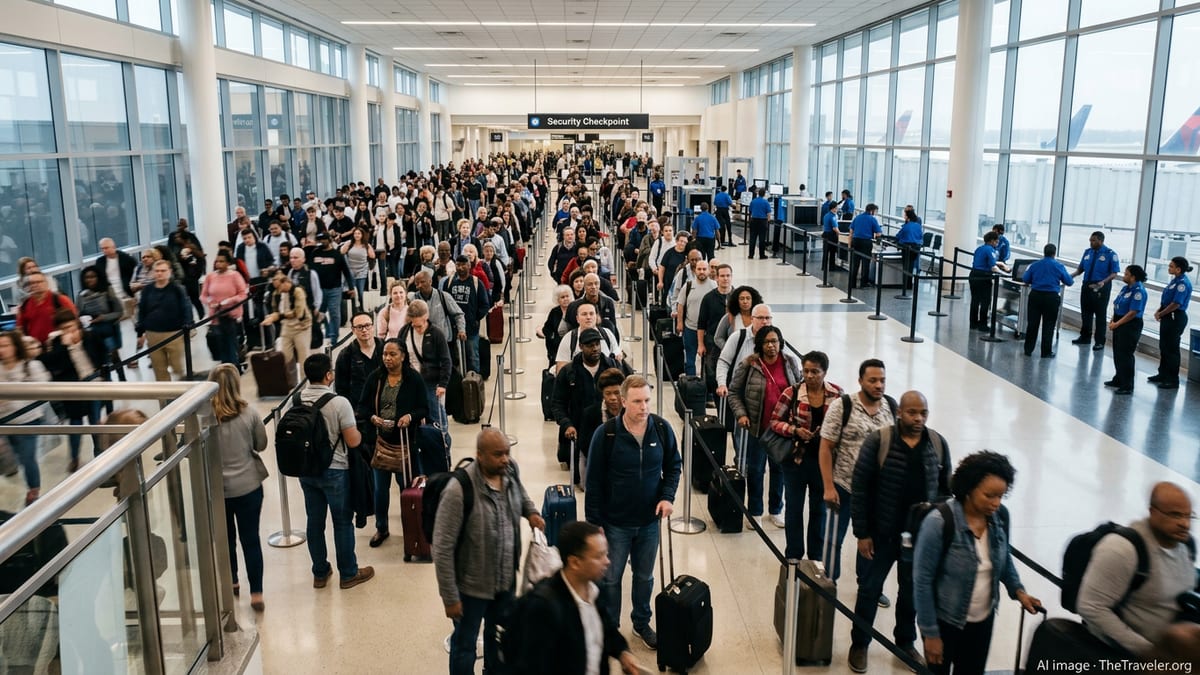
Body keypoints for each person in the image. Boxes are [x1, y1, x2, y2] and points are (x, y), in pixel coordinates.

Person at [847, 391, 952, 672]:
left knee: (912, 594)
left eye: (923, 413)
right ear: (899, 413)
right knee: (869, 591)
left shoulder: (937, 445)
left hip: (920, 540)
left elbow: (945, 491)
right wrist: (862, 533)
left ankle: (905, 642)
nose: (918, 419)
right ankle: (860, 643)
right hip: (881, 536)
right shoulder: (878, 441)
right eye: (912, 413)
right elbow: (860, 488)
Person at [914, 451, 1042, 674]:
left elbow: (1003, 557)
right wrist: (930, 633)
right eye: (989, 495)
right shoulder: (939, 522)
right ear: (969, 490)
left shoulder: (1000, 517)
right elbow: (922, 581)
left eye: (1001, 496)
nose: (996, 503)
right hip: (945, 622)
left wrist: (1018, 590)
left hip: (982, 622)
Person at [433, 428, 543, 675]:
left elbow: (521, 494)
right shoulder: (458, 489)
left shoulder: (509, 470)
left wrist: (531, 512)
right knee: (465, 645)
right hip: (472, 587)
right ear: (480, 455)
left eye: (507, 453)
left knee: (500, 638)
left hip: (505, 579)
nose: (505, 459)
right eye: (498, 454)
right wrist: (450, 598)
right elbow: (442, 548)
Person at [584, 374, 682, 649]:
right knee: (611, 578)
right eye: (637, 401)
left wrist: (667, 497)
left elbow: (674, 465)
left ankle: (641, 622)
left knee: (644, 577)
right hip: (615, 523)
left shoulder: (661, 429)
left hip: (649, 522)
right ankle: (610, 627)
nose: (644, 407)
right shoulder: (606, 435)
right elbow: (593, 482)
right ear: (624, 402)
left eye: (648, 400)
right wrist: (595, 524)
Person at [1077, 482, 1196, 657]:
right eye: (1175, 515)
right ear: (1153, 512)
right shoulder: (1122, 549)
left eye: (1189, 516)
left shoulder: (1186, 546)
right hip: (1130, 655)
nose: (1184, 524)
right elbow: (1091, 607)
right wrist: (1152, 653)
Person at [510, 520, 642, 675]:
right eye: (599, 556)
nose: (607, 561)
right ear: (575, 562)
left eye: (606, 554)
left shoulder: (594, 589)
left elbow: (606, 629)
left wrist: (622, 652)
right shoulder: (544, 607)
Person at [295, 354, 373, 590]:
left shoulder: (297, 400)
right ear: (328, 375)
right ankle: (348, 573)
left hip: (307, 470)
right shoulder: (339, 403)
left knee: (314, 522)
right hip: (335, 470)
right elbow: (352, 440)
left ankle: (320, 572)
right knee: (341, 522)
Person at [818, 358, 895, 583]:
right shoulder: (843, 406)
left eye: (882, 380)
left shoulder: (890, 407)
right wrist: (828, 486)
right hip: (843, 486)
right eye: (872, 380)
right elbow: (826, 447)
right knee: (833, 538)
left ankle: (868, 584)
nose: (878, 385)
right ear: (860, 380)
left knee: (871, 540)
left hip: (876, 492)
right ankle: (829, 581)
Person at [767, 350, 843, 560]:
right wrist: (794, 430)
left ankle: (816, 558)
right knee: (794, 510)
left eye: (815, 372)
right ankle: (793, 556)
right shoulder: (791, 393)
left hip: (822, 464)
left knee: (819, 510)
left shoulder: (837, 396)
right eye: (806, 371)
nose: (809, 376)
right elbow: (774, 421)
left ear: (824, 372)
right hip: (795, 461)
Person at [208, 364, 268, 612]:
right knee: (250, 540)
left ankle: (231, 581)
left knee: (225, 540)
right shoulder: (250, 414)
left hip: (217, 490)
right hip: (248, 486)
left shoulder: (203, 418)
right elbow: (261, 444)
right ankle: (256, 593)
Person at [359, 339, 428, 548]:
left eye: (392, 354)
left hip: (405, 443)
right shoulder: (376, 378)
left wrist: (409, 416)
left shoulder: (413, 379)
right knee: (380, 490)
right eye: (385, 355)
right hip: (381, 444)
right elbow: (363, 406)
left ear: (403, 356)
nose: (387, 358)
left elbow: (424, 409)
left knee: (406, 489)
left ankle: (411, 528)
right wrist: (373, 418)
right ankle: (381, 528)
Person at [729, 325, 800, 527]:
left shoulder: (790, 362)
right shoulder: (749, 364)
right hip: (757, 428)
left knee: (779, 469)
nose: (771, 346)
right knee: (756, 470)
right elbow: (734, 393)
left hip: (782, 429)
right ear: (759, 344)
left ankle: (776, 509)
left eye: (775, 341)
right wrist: (741, 414)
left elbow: (799, 388)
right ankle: (755, 512)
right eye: (767, 342)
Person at [39, 310, 106, 473]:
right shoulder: (57, 343)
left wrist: (103, 374)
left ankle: (99, 452)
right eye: (64, 328)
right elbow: (50, 363)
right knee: (75, 425)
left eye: (71, 326)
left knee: (95, 421)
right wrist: (64, 345)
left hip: (93, 385)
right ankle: (74, 457)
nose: (69, 331)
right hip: (72, 389)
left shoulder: (89, 336)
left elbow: (103, 354)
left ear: (76, 323)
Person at [552, 328, 619, 482]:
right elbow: (557, 404)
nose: (595, 348)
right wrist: (566, 424)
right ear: (581, 347)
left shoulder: (612, 368)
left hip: (608, 429)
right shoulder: (569, 372)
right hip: (579, 432)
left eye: (597, 344)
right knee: (580, 479)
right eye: (590, 345)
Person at [0, 330, 50, 505]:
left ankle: (33, 490)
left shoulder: (31, 366)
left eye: (6, 345)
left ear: (16, 346)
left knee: (28, 457)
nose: (2, 350)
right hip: (4, 421)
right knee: (16, 454)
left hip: (28, 419)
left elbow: (44, 388)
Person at [398, 299, 453, 443]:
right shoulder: (404, 331)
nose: (417, 329)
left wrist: (443, 384)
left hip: (431, 383)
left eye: (420, 326)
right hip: (411, 381)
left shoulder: (436, 334)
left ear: (426, 317)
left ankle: (444, 446)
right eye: (414, 325)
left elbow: (446, 360)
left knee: (436, 418)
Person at [135, 261, 192, 382]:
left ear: (169, 272)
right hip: (153, 333)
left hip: (174, 333)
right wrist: (140, 333)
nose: (160, 274)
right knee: (159, 370)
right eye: (157, 271)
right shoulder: (147, 290)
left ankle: (183, 396)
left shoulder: (177, 289)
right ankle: (165, 400)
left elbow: (186, 307)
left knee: (178, 368)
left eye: (163, 271)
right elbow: (142, 311)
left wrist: (188, 326)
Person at [1021, 244, 1074, 358]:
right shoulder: (1059, 266)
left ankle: (1028, 350)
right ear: (1054, 253)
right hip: (1051, 298)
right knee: (1048, 325)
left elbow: (1025, 279)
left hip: (1035, 296)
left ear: (1044, 252)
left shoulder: (1034, 265)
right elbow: (1069, 282)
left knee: (1032, 324)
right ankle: (1046, 352)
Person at [1071, 231, 1121, 350]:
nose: (1091, 243)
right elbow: (1080, 269)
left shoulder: (1110, 254)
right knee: (1085, 313)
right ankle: (1085, 337)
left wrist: (1104, 281)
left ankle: (1099, 341)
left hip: (1101, 286)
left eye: (1093, 240)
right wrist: (1070, 276)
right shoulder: (1087, 253)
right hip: (1087, 285)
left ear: (1100, 241)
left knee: (1100, 315)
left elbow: (1114, 273)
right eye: (1090, 240)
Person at [442, 255, 490, 375]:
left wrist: (475, 318)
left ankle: (473, 384)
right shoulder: (448, 282)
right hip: (452, 328)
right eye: (458, 265)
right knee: (454, 358)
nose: (461, 267)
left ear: (469, 266)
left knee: (472, 356)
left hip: (471, 328)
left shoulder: (476, 283)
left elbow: (485, 305)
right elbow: (443, 302)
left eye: (464, 265)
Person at [200, 251, 249, 366]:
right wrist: (210, 301)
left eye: (222, 261)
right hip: (216, 316)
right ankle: (224, 369)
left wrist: (228, 301)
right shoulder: (210, 277)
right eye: (217, 261)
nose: (218, 264)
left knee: (231, 345)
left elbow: (243, 294)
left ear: (227, 263)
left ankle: (234, 368)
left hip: (231, 315)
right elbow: (203, 295)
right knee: (220, 346)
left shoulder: (235, 275)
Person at [1105, 265, 1148, 396]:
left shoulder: (1138, 291)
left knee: (1126, 354)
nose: (1124, 276)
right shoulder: (1126, 288)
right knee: (1118, 352)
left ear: (1133, 277)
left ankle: (1127, 385)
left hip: (1130, 324)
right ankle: (1119, 378)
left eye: (1126, 274)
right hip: (1119, 321)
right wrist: (1113, 320)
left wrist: (1117, 324)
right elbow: (1117, 305)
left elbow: (1133, 312)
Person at [1150, 256, 1192, 389]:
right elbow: (1167, 300)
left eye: (1171, 266)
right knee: (1164, 346)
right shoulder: (1175, 281)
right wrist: (1159, 310)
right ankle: (1162, 374)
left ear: (1178, 269)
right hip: (1168, 315)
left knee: (1171, 349)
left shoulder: (1182, 284)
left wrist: (1161, 313)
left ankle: (1172, 379)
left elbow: (1176, 304)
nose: (1169, 268)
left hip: (1175, 317)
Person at [261, 272, 312, 377]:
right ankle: (289, 383)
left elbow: (299, 312)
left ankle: (304, 384)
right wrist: (271, 317)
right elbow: (275, 310)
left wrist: (278, 316)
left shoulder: (298, 291)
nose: (278, 290)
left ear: (285, 283)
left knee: (303, 358)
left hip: (302, 327)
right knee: (284, 356)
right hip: (287, 327)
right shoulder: (277, 294)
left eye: (279, 287)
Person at [310, 233, 357, 345]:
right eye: (319, 239)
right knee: (319, 313)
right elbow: (309, 271)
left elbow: (346, 271)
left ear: (329, 240)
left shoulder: (337, 255)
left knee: (334, 313)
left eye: (323, 240)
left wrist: (351, 287)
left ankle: (333, 338)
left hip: (334, 289)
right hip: (319, 290)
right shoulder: (314, 253)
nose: (321, 242)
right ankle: (327, 332)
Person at [75, 267, 123, 359]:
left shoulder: (107, 291)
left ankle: (120, 373)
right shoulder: (81, 295)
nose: (89, 280)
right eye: (87, 277)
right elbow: (78, 313)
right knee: (101, 362)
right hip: (92, 333)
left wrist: (103, 317)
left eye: (92, 277)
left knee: (114, 358)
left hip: (106, 331)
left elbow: (119, 312)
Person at [17, 272, 78, 345]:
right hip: (36, 347)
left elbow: (75, 321)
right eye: (32, 283)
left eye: (39, 282)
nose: (35, 285)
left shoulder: (61, 300)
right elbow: (20, 329)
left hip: (59, 344)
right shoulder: (24, 305)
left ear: (46, 283)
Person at [968, 231, 1008, 331]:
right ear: (991, 241)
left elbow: (986, 261)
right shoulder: (990, 250)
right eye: (996, 241)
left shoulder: (979, 248)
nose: (997, 242)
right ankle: (983, 325)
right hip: (984, 277)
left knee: (975, 300)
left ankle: (973, 323)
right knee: (985, 301)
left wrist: (1002, 265)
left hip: (973, 275)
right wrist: (1005, 274)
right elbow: (993, 267)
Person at [91, 237, 136, 319]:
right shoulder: (100, 261)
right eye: (102, 249)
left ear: (114, 247)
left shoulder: (126, 259)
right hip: (108, 291)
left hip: (124, 289)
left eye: (106, 248)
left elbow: (134, 274)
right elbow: (98, 278)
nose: (104, 250)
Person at [339, 226, 375, 314]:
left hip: (362, 271)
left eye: (359, 233)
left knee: (360, 292)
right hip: (350, 272)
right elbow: (341, 252)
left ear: (362, 235)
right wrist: (345, 245)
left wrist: (369, 249)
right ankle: (354, 310)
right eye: (355, 233)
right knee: (352, 292)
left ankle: (362, 309)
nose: (357, 235)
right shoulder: (349, 243)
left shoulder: (366, 245)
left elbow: (372, 256)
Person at [849, 203, 882, 289]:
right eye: (875, 211)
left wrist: (850, 244)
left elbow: (851, 231)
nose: (875, 213)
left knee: (855, 263)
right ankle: (863, 283)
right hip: (866, 242)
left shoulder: (857, 217)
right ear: (871, 211)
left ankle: (852, 283)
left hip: (855, 241)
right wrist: (878, 241)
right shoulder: (872, 219)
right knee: (865, 263)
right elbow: (878, 233)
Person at [540, 285, 574, 366]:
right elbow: (546, 329)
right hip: (556, 349)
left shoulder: (574, 310)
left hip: (571, 348)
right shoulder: (554, 312)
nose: (565, 299)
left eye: (567, 296)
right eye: (562, 297)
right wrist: (553, 337)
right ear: (557, 300)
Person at [896, 208, 924, 290]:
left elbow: (898, 236)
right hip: (916, 248)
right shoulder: (918, 226)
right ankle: (909, 284)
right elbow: (920, 237)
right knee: (911, 265)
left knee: (905, 266)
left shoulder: (906, 226)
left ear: (908, 217)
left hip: (906, 247)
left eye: (905, 215)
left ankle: (905, 284)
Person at [747, 188, 772, 259]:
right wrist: (768, 221)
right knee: (762, 239)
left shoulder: (753, 201)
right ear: (764, 194)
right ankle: (762, 255)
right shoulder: (766, 202)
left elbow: (750, 211)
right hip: (762, 221)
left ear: (758, 193)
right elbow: (769, 213)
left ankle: (751, 255)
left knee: (752, 238)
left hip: (754, 220)